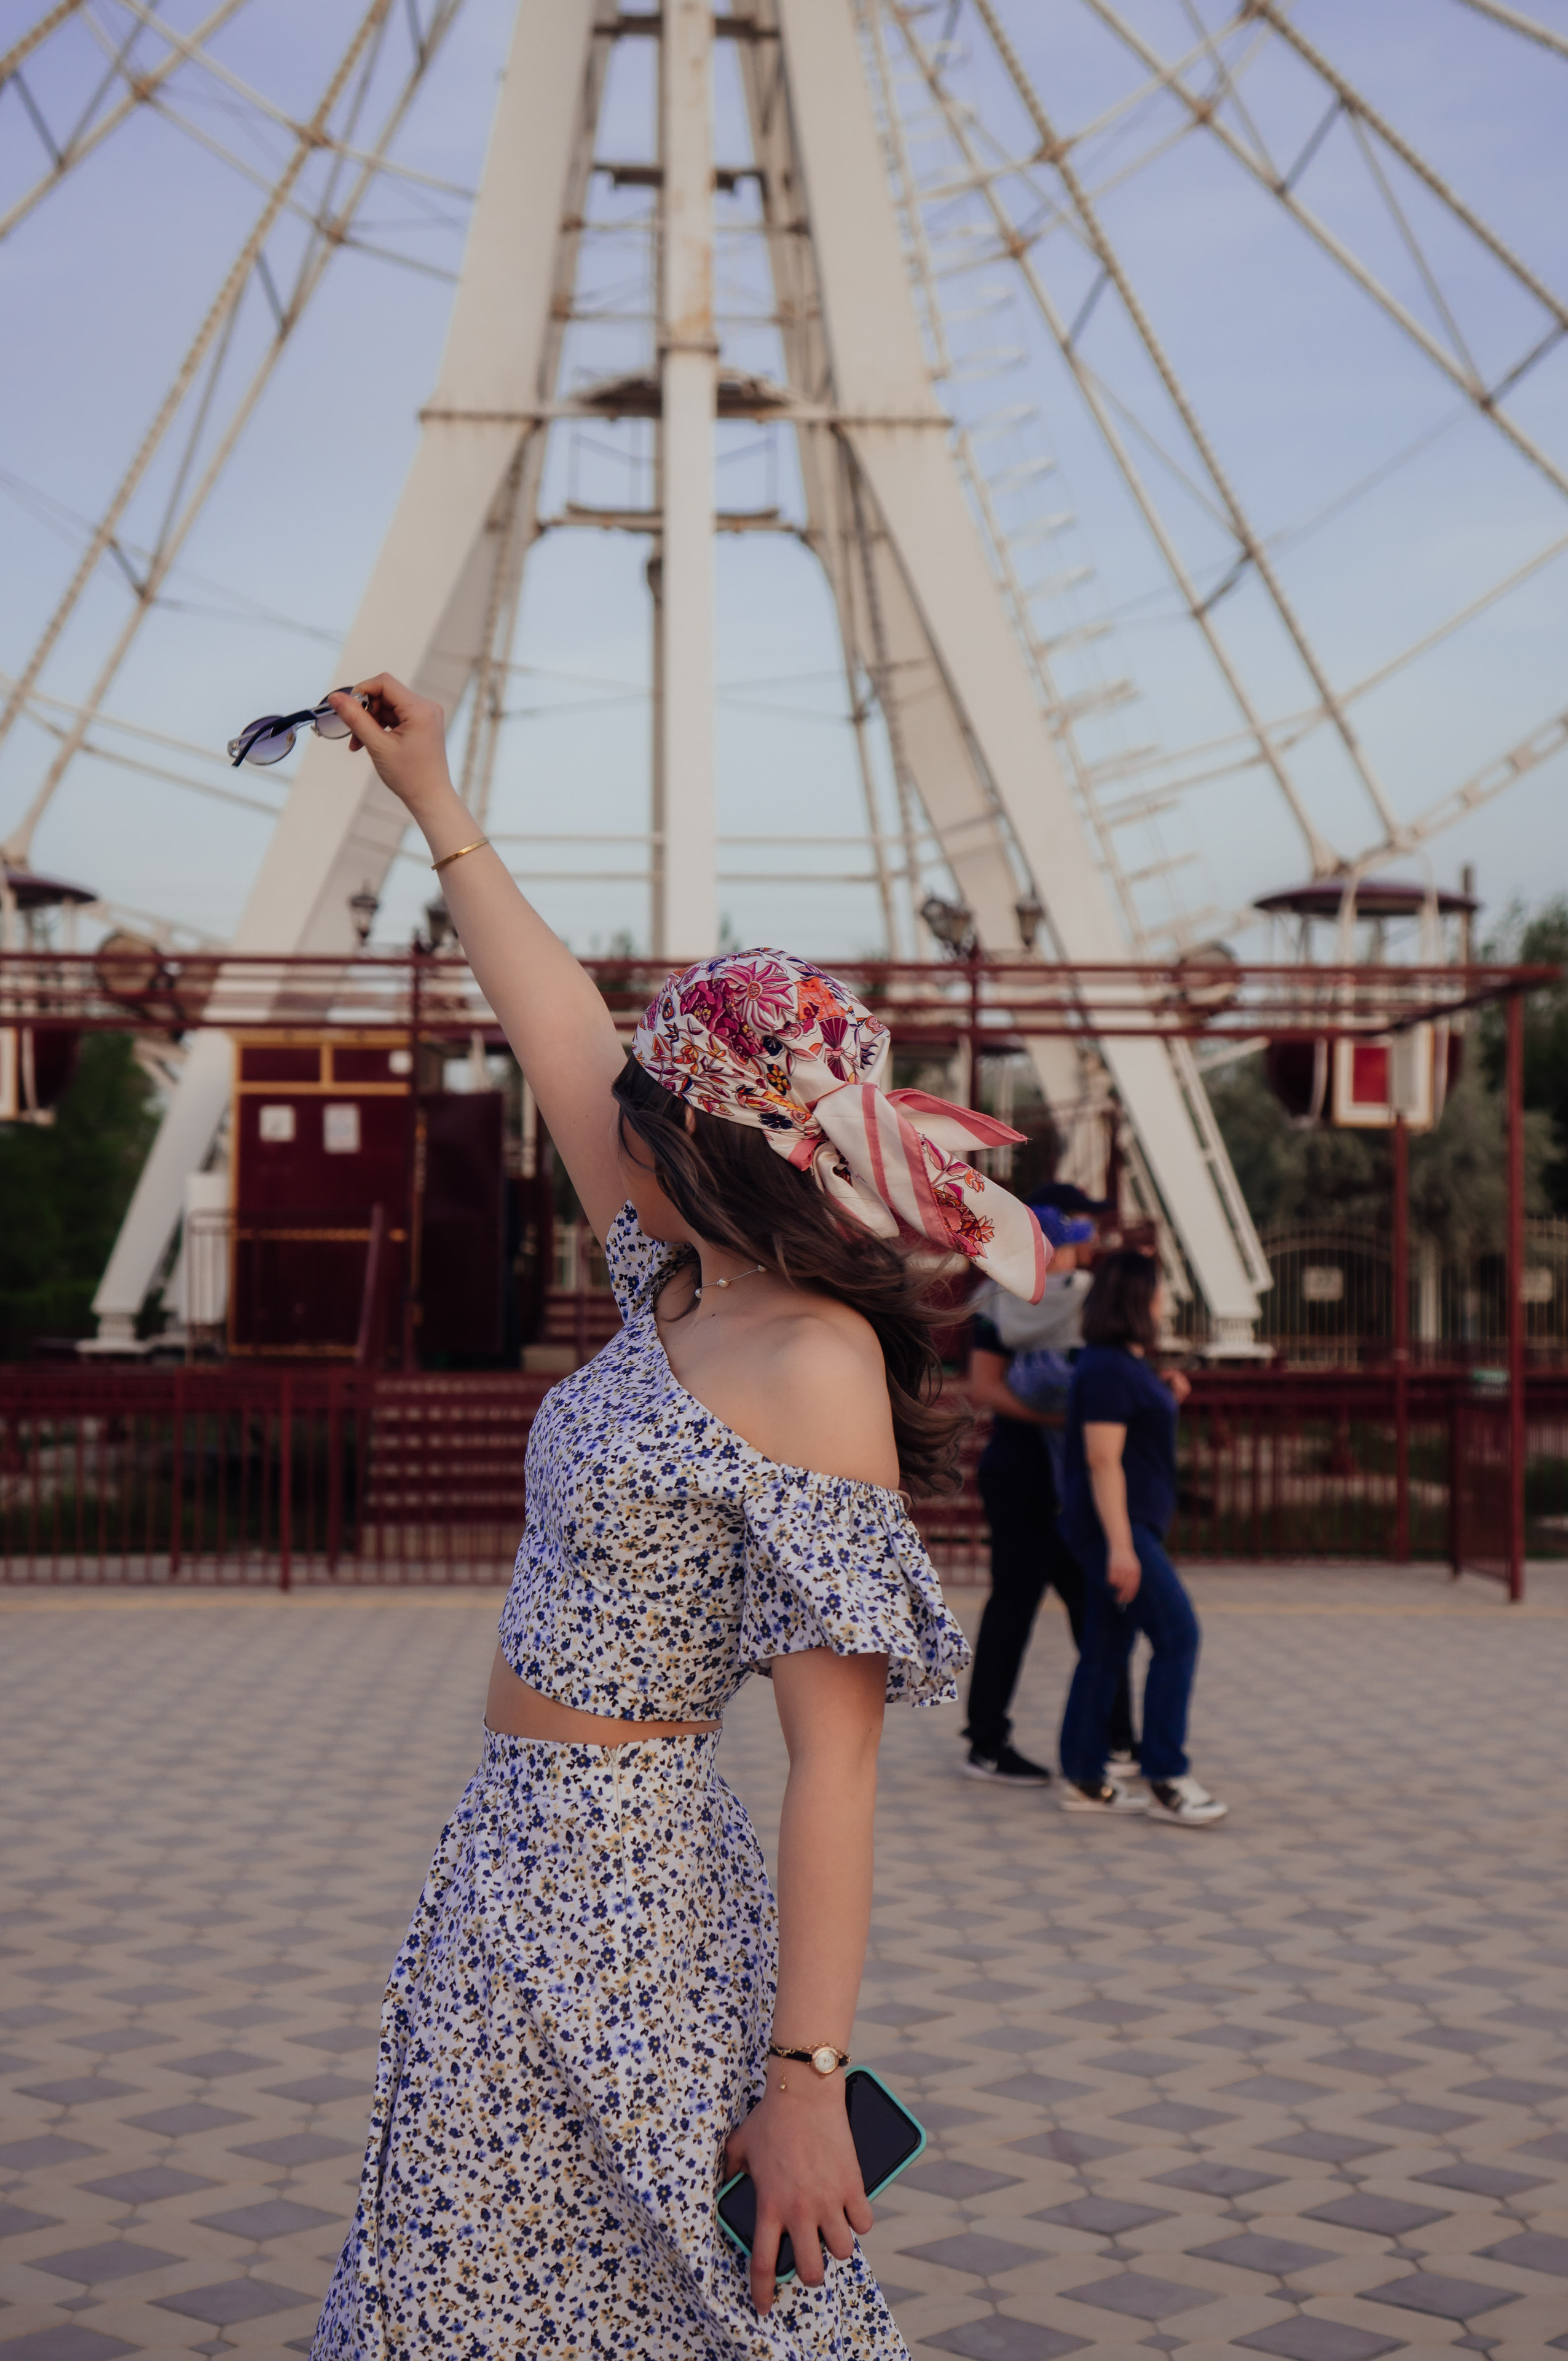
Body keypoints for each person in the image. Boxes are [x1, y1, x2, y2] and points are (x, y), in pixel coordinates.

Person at [307, 674, 1055, 2356]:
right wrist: (435, 802)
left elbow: (839, 1759)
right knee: (465, 2279)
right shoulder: (675, 1280)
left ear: (717, 1141)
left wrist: (809, 2079)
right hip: (507, 1856)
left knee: (698, 2295)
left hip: (641, 1887)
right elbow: (558, 1027)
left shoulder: (809, 1361)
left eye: (651, 1103)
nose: (613, 1112)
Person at [961, 1203, 1138, 1786]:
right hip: (1038, 1468)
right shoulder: (1077, 1297)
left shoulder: (997, 1300)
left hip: (1042, 1463)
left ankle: (1108, 1738)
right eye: (1072, 1241)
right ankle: (997, 1740)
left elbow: (987, 1385)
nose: (1079, 1255)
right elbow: (985, 1386)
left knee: (1071, 1604)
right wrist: (1066, 1422)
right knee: (1039, 1604)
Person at [1057, 1249, 1229, 1826]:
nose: (1164, 1304)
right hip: (1117, 1527)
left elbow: (1129, 1433)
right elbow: (1103, 1460)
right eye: (1159, 1293)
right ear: (1137, 1299)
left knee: (1107, 1647)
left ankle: (1085, 1775)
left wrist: (1165, 1396)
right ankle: (1166, 1777)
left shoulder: (1121, 1364)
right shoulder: (1107, 1368)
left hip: (1124, 1524)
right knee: (1178, 1633)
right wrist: (1122, 1546)